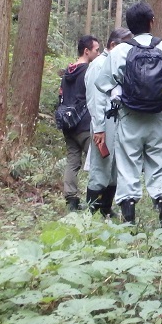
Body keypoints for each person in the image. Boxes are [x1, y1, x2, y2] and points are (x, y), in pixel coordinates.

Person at [94, 2, 162, 230]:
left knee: (128, 165)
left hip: (129, 117)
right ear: (151, 21)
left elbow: (102, 82)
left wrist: (117, 91)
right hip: (158, 117)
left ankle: (129, 221)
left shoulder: (119, 51)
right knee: (160, 164)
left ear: (129, 25)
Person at [84, 27, 133, 217]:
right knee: (100, 168)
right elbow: (96, 101)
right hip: (103, 123)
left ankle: (106, 207)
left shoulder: (113, 64)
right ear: (113, 45)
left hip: (116, 122)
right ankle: (92, 211)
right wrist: (98, 129)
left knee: (113, 168)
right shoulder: (99, 65)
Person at [59, 34, 100, 211]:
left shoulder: (68, 71)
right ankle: (96, 201)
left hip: (68, 125)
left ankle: (71, 201)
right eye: (96, 50)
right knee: (97, 163)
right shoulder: (88, 71)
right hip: (85, 124)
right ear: (87, 51)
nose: (98, 53)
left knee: (72, 162)